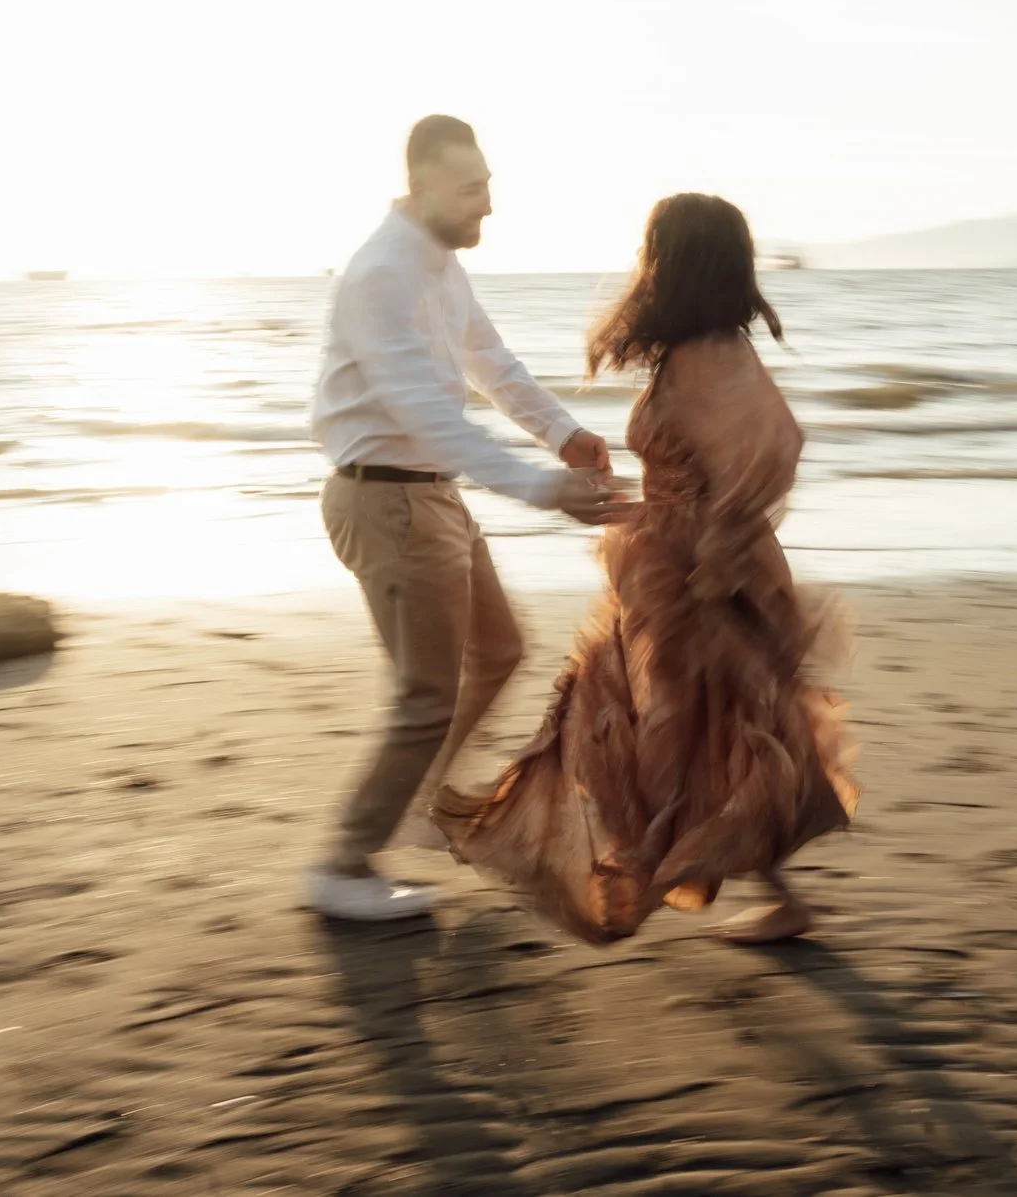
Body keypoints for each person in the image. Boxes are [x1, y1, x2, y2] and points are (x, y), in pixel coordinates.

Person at [437, 193, 857, 944]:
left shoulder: (706, 355)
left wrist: (712, 544)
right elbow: (716, 457)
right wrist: (657, 506)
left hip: (695, 578)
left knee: (677, 731)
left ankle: (636, 867)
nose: (642, 263)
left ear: (674, 260)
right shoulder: (704, 345)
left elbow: (777, 446)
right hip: (672, 564)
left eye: (651, 249)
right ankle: (746, 888)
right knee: (699, 730)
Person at [304, 115, 633, 923]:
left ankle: (417, 805)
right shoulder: (381, 273)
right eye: (470, 188)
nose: (486, 202)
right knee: (425, 695)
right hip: (385, 498)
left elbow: (492, 365)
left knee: (500, 649)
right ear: (420, 187)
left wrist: (565, 433)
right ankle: (342, 864)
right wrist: (538, 486)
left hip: (428, 494)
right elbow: (423, 410)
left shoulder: (439, 265)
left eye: (488, 183)